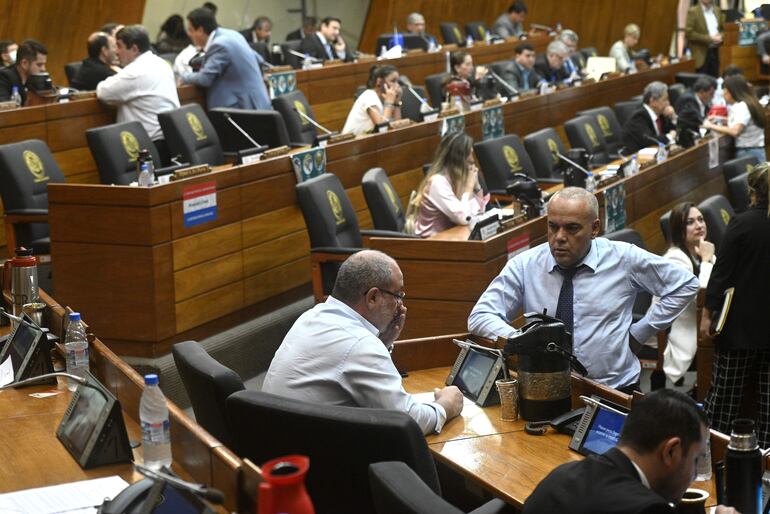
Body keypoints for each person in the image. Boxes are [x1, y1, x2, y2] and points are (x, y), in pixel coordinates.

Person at [468, 187, 699, 392]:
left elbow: (685, 284)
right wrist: (520, 340)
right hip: (544, 389)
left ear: (594, 228)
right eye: (553, 227)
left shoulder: (623, 258)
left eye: (572, 228)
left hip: (613, 390)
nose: (559, 237)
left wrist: (641, 332)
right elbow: (480, 316)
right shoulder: (525, 265)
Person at [262, 250, 464, 436]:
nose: (400, 305)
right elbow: (407, 421)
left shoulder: (312, 316)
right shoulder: (359, 344)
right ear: (373, 297)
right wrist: (445, 406)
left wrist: (382, 343)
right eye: (398, 295)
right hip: (315, 456)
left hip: (278, 443)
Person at [523, 389, 737, 514]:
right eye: (696, 459)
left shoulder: (559, 477)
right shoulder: (648, 509)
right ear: (671, 451)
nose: (694, 475)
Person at [700, 164, 770, 448]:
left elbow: (721, 274)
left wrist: (707, 315)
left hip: (739, 329)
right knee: (769, 409)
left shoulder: (742, 223)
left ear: (752, 192)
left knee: (724, 401)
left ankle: (713, 456)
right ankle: (765, 464)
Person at [96, 25, 180, 163]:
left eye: (119, 46)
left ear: (134, 49)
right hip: (170, 138)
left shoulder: (135, 72)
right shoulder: (161, 63)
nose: (116, 51)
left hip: (150, 146)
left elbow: (103, 92)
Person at [658, 202, 715, 385]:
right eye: (690, 222)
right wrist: (706, 261)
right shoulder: (674, 260)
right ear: (679, 230)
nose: (699, 225)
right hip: (679, 335)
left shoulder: (701, 251)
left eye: (701, 219)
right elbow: (702, 298)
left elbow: (720, 285)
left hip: (700, 325)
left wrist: (706, 259)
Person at [179, 7, 271, 110]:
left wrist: (184, 77)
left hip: (242, 108)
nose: (188, 34)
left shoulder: (219, 44)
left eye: (190, 30)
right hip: (257, 102)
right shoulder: (232, 34)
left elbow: (205, 79)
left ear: (200, 30)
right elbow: (259, 59)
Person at [406, 132, 489, 238]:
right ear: (459, 159)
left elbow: (477, 214)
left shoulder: (457, 178)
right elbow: (464, 218)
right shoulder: (437, 183)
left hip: (452, 236)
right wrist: (469, 187)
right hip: (431, 242)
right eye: (470, 154)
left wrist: (476, 187)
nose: (473, 160)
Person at [703, 75, 766, 162]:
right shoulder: (749, 102)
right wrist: (719, 119)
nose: (723, 94)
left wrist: (710, 126)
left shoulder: (742, 107)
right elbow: (743, 122)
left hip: (748, 153)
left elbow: (735, 131)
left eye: (725, 90)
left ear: (732, 92)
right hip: (755, 150)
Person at [342, 65, 402, 135]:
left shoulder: (386, 98)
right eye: (393, 81)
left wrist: (396, 103)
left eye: (398, 82)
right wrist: (389, 103)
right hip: (352, 141)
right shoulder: (369, 96)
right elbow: (382, 129)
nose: (397, 86)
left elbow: (397, 128)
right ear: (379, 81)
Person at [621, 81, 677, 153]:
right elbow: (650, 141)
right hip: (634, 156)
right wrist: (670, 136)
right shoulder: (638, 117)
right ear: (653, 101)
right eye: (665, 100)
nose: (668, 103)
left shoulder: (661, 114)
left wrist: (673, 117)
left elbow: (675, 130)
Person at [0, 39, 48, 104]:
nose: (43, 69)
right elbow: (5, 107)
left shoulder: (37, 79)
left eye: (44, 64)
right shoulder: (3, 78)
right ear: (24, 63)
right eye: (39, 65)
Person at [685, 0, 723, 77]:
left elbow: (723, 29)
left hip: (716, 52)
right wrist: (710, 38)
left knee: (715, 79)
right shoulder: (693, 11)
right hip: (701, 54)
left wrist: (721, 36)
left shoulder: (717, 10)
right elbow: (689, 33)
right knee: (702, 81)